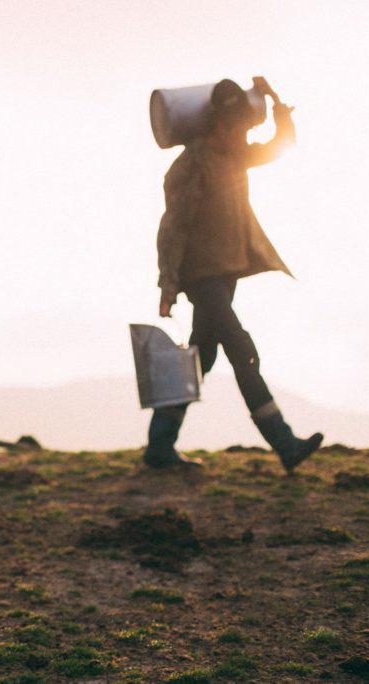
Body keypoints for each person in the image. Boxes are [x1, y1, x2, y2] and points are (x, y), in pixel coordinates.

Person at [147, 77, 323, 471]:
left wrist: (277, 104)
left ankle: (159, 446)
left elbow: (282, 146)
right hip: (201, 278)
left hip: (225, 276)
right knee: (242, 351)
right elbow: (172, 229)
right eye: (239, 126)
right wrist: (168, 286)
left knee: (201, 359)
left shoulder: (234, 155)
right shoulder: (192, 166)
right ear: (219, 125)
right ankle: (284, 442)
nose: (245, 133)